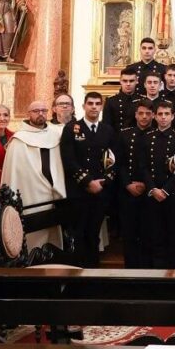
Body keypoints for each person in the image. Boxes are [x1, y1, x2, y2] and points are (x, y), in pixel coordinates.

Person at [59, 93, 117, 267]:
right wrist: (87, 182)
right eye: (90, 103)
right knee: (79, 232)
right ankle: (78, 272)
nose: (94, 107)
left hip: (100, 190)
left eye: (97, 104)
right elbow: (68, 159)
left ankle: (93, 271)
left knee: (93, 232)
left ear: (101, 107)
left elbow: (114, 159)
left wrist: (104, 181)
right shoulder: (72, 128)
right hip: (79, 190)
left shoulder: (108, 130)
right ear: (83, 106)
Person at [2, 101, 67, 250]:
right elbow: (13, 173)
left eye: (44, 110)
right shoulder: (19, 139)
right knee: (33, 233)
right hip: (29, 191)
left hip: (54, 190)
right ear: (28, 114)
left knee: (53, 232)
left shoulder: (55, 134)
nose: (40, 114)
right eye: (36, 111)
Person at [141, 101, 175, 269]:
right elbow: (143, 166)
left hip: (172, 193)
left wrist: (166, 190)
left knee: (173, 233)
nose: (163, 117)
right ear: (154, 116)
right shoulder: (147, 138)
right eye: (160, 114)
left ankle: (174, 270)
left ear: (172, 116)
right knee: (155, 233)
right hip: (153, 193)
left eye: (167, 114)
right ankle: (156, 270)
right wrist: (153, 189)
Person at [117, 100, 155, 268]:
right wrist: (128, 184)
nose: (144, 117)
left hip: (151, 192)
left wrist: (149, 185)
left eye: (148, 113)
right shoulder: (125, 134)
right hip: (128, 191)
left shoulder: (158, 134)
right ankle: (130, 269)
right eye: (141, 113)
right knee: (129, 233)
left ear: (153, 115)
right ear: (135, 115)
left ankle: (147, 270)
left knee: (149, 232)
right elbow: (119, 163)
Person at [102, 66, 139, 131]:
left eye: (131, 81)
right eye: (125, 81)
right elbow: (106, 126)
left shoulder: (142, 100)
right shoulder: (111, 101)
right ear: (120, 81)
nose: (128, 84)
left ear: (136, 81)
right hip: (117, 139)